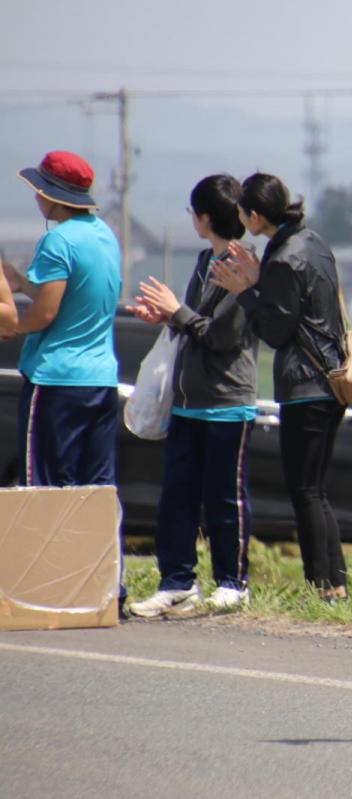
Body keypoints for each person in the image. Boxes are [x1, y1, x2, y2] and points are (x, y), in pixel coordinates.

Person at [209, 173, 349, 603]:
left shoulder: (283, 256)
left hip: (305, 386)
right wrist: (260, 281)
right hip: (332, 381)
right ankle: (335, 584)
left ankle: (320, 587)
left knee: (304, 491)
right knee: (317, 489)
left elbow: (276, 328)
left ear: (253, 215)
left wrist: (246, 291)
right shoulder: (312, 241)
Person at [126, 175, 259, 618]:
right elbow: (191, 324)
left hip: (227, 401)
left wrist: (177, 312)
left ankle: (232, 583)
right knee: (177, 494)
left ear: (204, 218)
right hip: (187, 400)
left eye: (193, 213)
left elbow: (223, 335)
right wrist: (165, 317)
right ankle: (177, 582)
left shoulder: (245, 267)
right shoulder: (205, 261)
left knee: (224, 497)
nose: (193, 221)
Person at [5, 151, 121, 488]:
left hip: (56, 380)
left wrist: (13, 326)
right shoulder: (105, 236)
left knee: (47, 486)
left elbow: (45, 313)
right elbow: (74, 296)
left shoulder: (57, 240)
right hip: (100, 378)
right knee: (96, 486)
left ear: (53, 196)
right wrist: (23, 283)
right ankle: (99, 544)